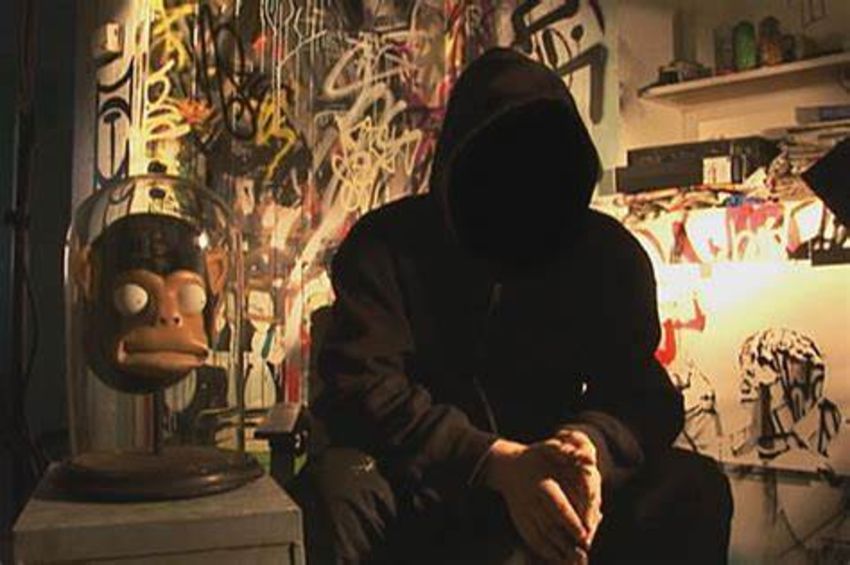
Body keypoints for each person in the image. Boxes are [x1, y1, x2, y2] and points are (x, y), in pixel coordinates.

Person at [290, 48, 733, 564]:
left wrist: (589, 447)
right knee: (336, 489)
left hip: (555, 469)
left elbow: (643, 392)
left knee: (693, 486)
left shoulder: (605, 253)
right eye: (501, 166)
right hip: (428, 477)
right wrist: (493, 462)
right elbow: (361, 388)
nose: (521, 183)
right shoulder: (384, 246)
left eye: (539, 165)